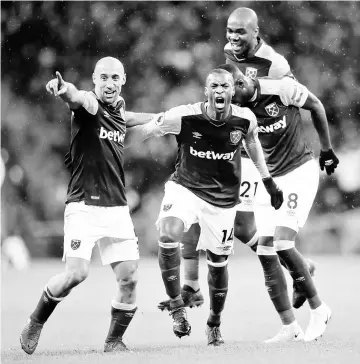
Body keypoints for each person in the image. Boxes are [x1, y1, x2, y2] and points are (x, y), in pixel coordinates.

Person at [157, 6, 314, 314]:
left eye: (240, 31)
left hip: (263, 150)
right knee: (238, 224)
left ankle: (298, 270)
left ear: (256, 32)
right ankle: (193, 286)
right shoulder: (230, 52)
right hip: (237, 144)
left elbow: (285, 100)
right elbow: (234, 87)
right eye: (229, 31)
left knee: (247, 226)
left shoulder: (276, 64)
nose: (232, 38)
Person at [127, 68, 284, 346]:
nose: (220, 90)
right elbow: (147, 130)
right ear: (206, 91)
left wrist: (269, 182)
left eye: (225, 85)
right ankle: (178, 309)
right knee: (167, 234)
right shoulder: (184, 116)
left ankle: (214, 323)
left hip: (222, 201)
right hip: (185, 188)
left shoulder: (244, 119)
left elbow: (254, 145)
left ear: (232, 91)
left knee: (218, 265)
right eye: (214, 86)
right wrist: (114, 145)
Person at [20, 57, 158, 354]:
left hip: (117, 207)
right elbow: (76, 97)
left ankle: (113, 341)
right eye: (103, 78)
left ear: (123, 81)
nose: (109, 83)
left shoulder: (119, 108)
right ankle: (35, 321)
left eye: (115, 78)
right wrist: (64, 88)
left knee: (130, 278)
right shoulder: (88, 105)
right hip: (84, 204)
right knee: (76, 275)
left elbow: (129, 117)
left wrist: (162, 118)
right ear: (95, 80)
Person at [223, 64, 339, 342]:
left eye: (238, 83)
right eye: (230, 91)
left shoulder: (281, 88)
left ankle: (319, 310)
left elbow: (317, 106)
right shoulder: (235, 111)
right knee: (265, 251)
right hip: (271, 180)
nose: (236, 90)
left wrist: (326, 149)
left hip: (299, 172)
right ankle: (290, 327)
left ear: (247, 77)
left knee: (283, 243)